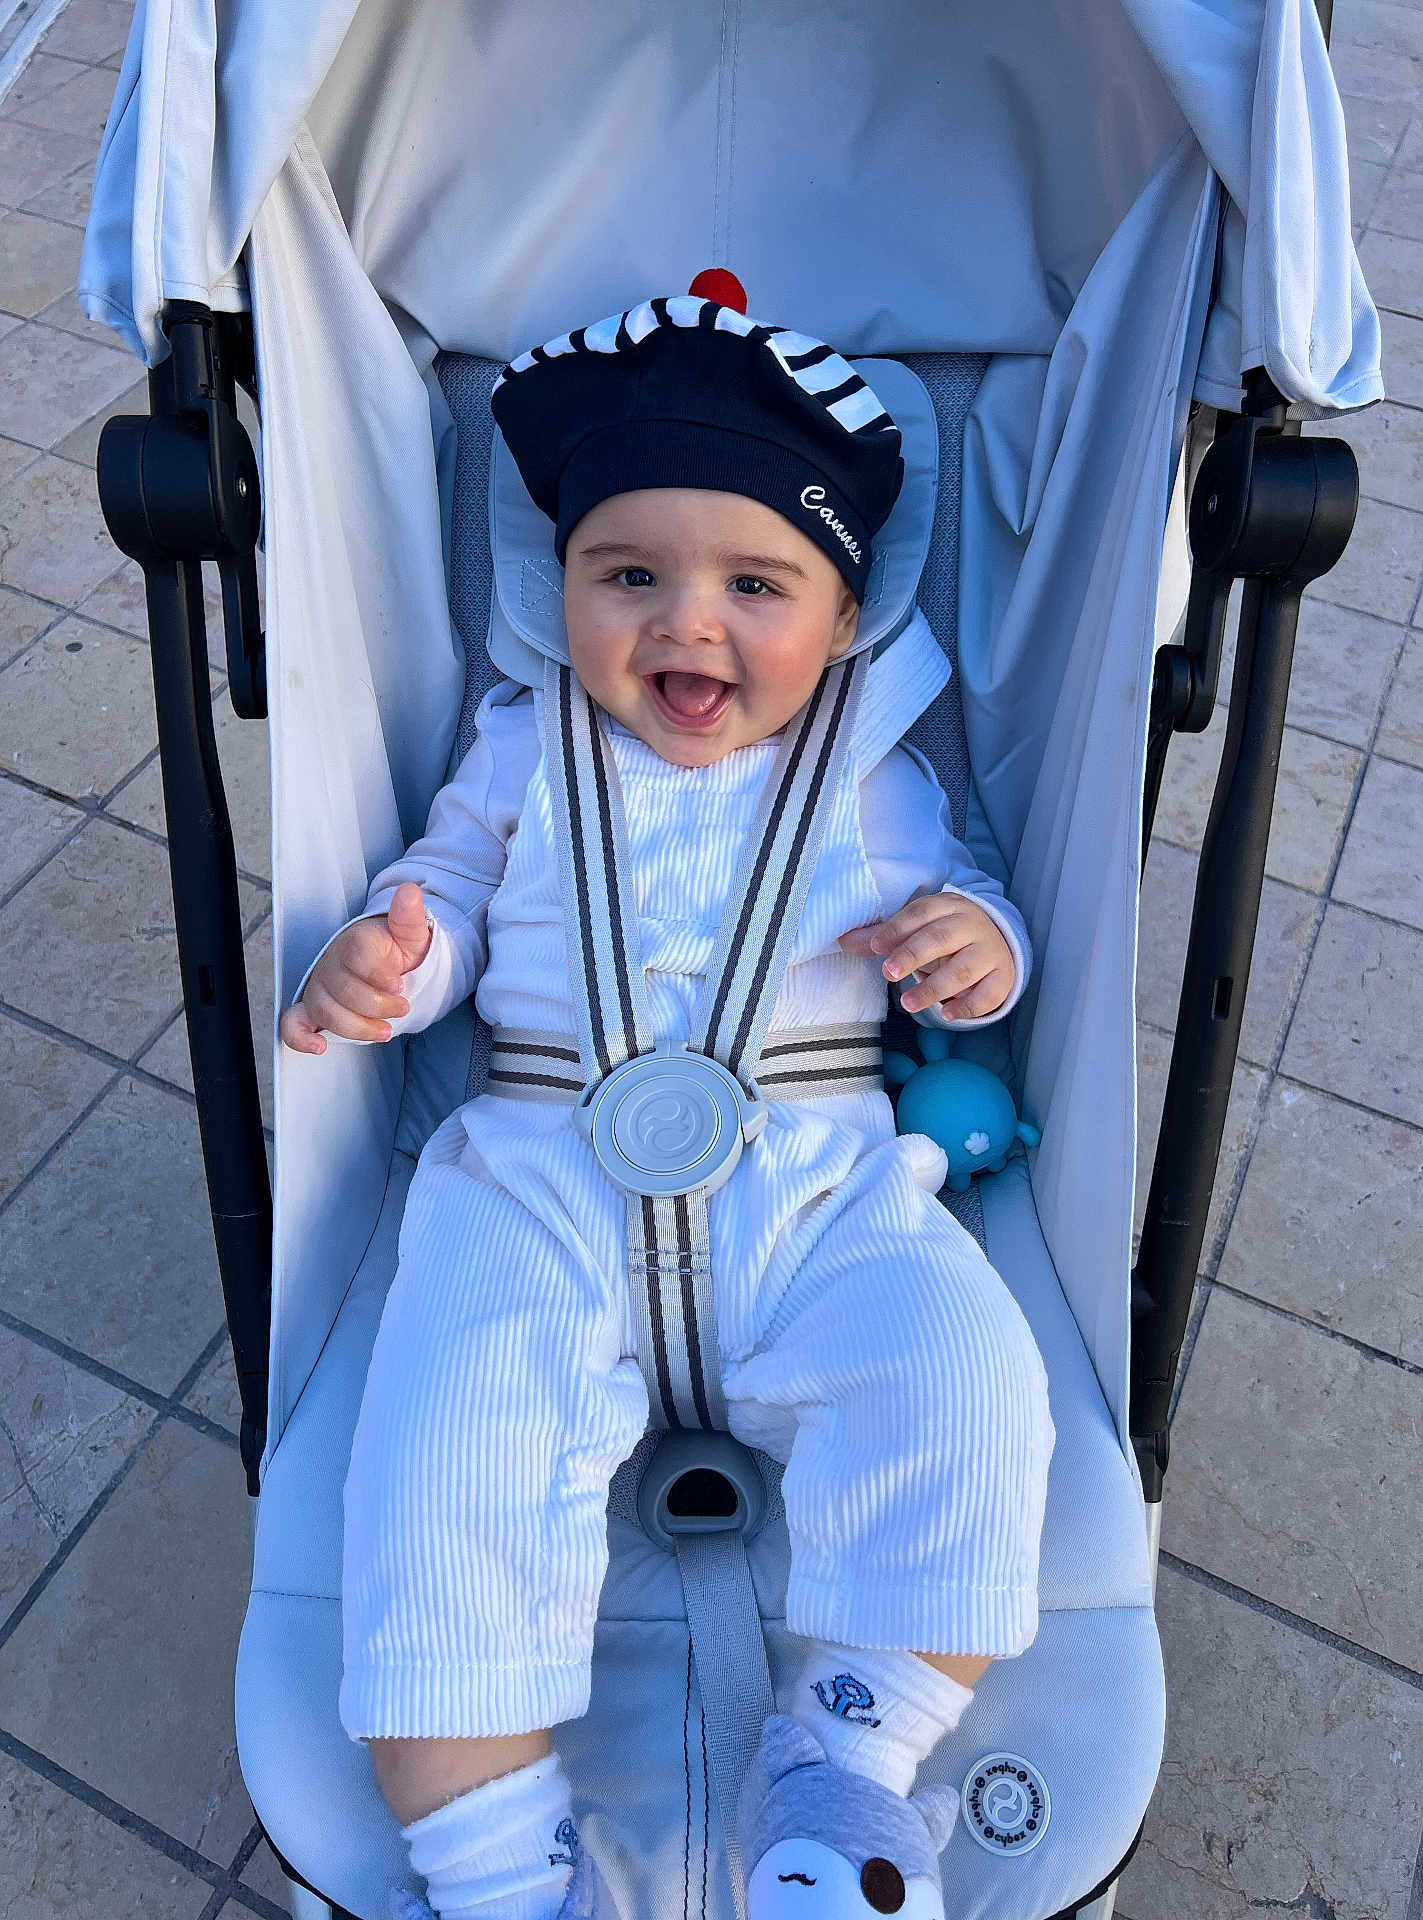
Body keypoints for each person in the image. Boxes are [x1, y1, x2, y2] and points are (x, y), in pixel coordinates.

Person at [281, 286, 1054, 1920]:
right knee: (443, 1452)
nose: (684, 624)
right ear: (556, 587)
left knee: (969, 1383)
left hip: (819, 1169)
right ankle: (489, 1865)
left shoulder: (870, 770)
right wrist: (392, 959)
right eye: (625, 574)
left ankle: (845, 1758)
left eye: (754, 585)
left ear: (842, 622)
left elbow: (974, 898)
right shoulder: (522, 743)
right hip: (542, 1169)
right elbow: (449, 889)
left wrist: (975, 948)